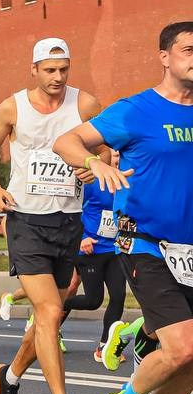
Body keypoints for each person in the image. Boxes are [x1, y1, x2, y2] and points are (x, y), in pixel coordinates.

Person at [56, 21, 193, 394]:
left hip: (190, 248)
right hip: (145, 242)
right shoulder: (136, 110)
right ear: (164, 57)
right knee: (183, 346)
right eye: (188, 50)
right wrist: (94, 161)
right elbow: (66, 141)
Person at [0, 37, 100, 394]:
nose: (58, 77)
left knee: (52, 315)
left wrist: (94, 165)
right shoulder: (13, 107)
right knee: (49, 311)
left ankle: (10, 377)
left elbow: (103, 149)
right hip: (26, 220)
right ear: (34, 69)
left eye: (64, 69)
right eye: (50, 70)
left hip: (68, 222)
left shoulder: (84, 105)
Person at [55, 149, 129, 364]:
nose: (118, 160)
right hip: (90, 250)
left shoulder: (130, 183)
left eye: (122, 156)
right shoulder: (92, 182)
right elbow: (69, 211)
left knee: (118, 296)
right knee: (92, 301)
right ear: (109, 158)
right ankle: (57, 307)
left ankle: (105, 346)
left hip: (115, 250)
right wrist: (81, 239)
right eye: (115, 156)